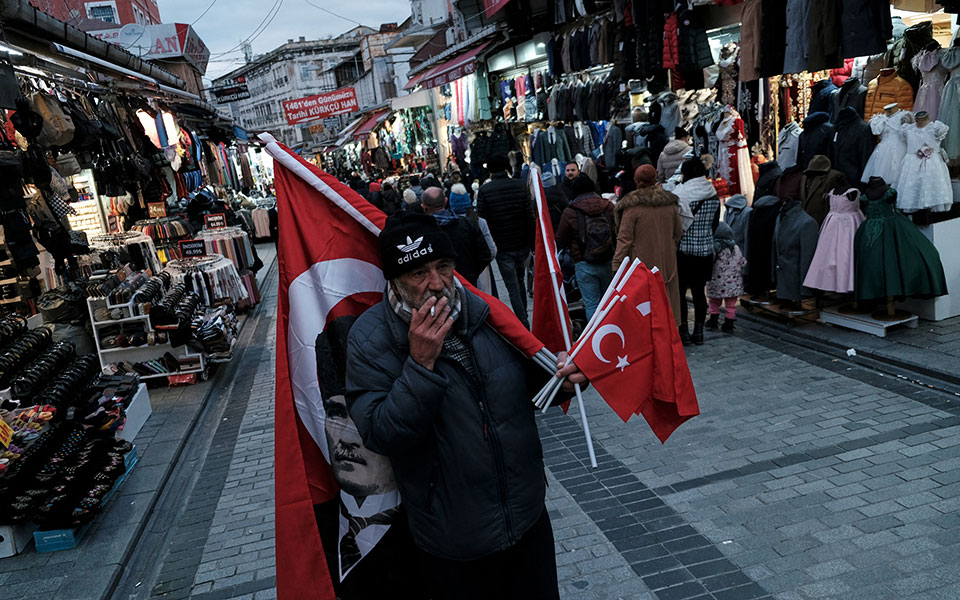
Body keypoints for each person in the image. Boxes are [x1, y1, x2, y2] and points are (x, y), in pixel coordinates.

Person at [344, 212, 586, 600]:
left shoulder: (489, 314)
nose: (437, 284)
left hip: (526, 518)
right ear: (394, 279)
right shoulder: (371, 340)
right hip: (452, 537)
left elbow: (533, 387)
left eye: (443, 266)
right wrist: (420, 365)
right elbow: (383, 434)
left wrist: (569, 376)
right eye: (419, 273)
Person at [314, 317, 422, 597]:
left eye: (361, 415)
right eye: (336, 415)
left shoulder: (429, 515)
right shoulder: (315, 522)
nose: (346, 437)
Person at [613, 165, 684, 325]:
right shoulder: (669, 203)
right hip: (668, 265)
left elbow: (624, 240)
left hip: (641, 267)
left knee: (647, 315)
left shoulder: (632, 207)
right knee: (667, 312)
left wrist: (616, 266)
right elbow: (678, 233)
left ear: (637, 181)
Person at [477, 154, 534, 328]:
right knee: (520, 280)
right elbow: (530, 216)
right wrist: (532, 242)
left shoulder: (485, 191)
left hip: (501, 245)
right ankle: (523, 316)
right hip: (522, 242)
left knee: (512, 286)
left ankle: (523, 323)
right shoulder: (519, 185)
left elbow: (482, 221)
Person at [555, 174, 616, 319]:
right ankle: (613, 334)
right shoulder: (608, 206)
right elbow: (617, 230)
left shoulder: (570, 211)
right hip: (607, 259)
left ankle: (597, 339)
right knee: (608, 302)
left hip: (583, 262)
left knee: (591, 304)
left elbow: (561, 239)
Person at [674, 157, 721, 345]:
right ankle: (699, 332)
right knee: (699, 292)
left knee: (680, 293)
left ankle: (683, 330)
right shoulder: (713, 192)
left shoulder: (682, 193)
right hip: (705, 250)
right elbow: (715, 224)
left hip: (684, 251)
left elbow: (677, 225)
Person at [421, 187, 492, 286]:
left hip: (440, 286)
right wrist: (472, 273)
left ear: (423, 207)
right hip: (468, 281)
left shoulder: (422, 233)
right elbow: (485, 255)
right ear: (446, 201)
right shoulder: (467, 224)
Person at [705, 222, 746, 333]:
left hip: (716, 283)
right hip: (732, 284)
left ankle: (713, 321)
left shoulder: (713, 248)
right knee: (731, 305)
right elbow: (742, 262)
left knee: (713, 302)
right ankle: (729, 323)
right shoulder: (735, 248)